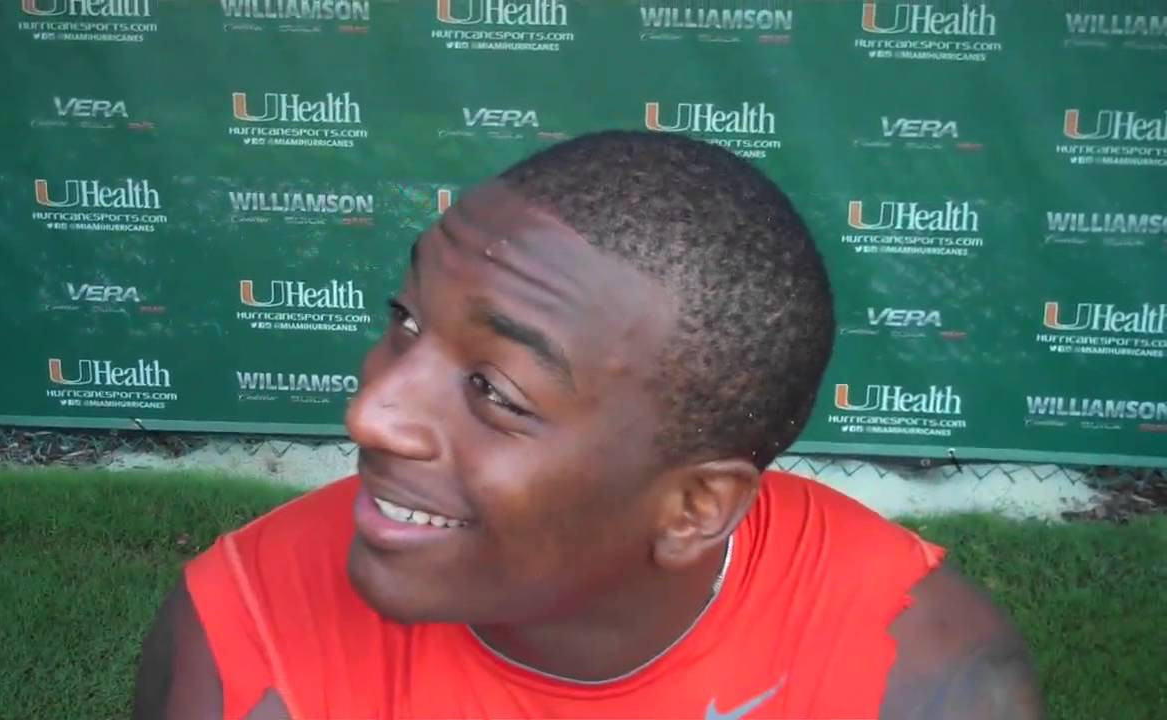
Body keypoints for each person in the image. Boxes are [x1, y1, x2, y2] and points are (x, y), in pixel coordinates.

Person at [131, 130, 1043, 719]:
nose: (372, 412)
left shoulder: (919, 683)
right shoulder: (241, 646)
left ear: (693, 508)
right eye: (405, 320)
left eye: (495, 390)